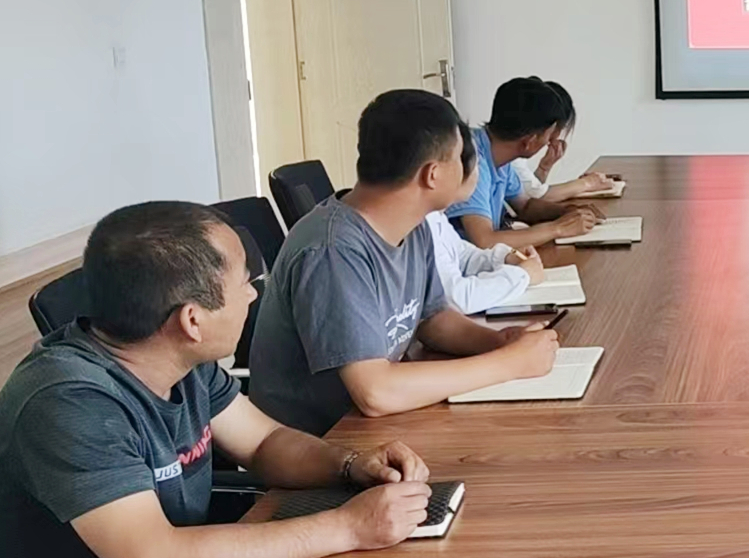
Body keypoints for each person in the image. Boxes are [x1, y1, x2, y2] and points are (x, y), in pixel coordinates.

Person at [0, 202, 434, 558]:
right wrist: (348, 528)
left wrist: (350, 465)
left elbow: (263, 443)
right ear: (192, 320)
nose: (252, 295)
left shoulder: (176, 360)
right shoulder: (68, 403)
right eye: (244, 282)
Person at [249, 89, 559, 436]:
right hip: (321, 443)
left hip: (378, 429)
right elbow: (375, 392)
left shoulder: (413, 226)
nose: (470, 166)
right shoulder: (332, 250)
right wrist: (508, 364)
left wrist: (500, 342)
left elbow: (433, 320)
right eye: (460, 157)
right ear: (433, 175)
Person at [447, 76, 602, 251]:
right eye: (548, 136)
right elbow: (485, 241)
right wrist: (558, 228)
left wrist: (567, 211)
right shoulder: (473, 160)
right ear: (529, 141)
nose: (550, 142)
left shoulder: (497, 152)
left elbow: (525, 206)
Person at [429, 125, 547, 314]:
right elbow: (456, 299)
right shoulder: (421, 222)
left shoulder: (435, 217)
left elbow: (463, 256)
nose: (480, 172)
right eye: (477, 164)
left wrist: (506, 256)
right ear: (434, 173)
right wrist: (521, 275)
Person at [510, 81, 614, 203]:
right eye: (558, 127)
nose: (554, 137)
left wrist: (544, 168)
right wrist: (588, 183)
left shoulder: (515, 155)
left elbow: (528, 192)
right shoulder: (511, 156)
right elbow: (536, 196)